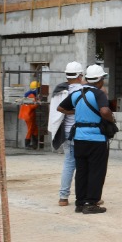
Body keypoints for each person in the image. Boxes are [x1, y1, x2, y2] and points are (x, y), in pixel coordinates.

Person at [59, 64, 115, 214]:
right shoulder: (99, 93)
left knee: (82, 171)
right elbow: (104, 110)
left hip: (79, 138)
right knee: (96, 171)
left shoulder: (77, 93)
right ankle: (91, 203)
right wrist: (111, 119)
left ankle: (80, 203)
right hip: (96, 138)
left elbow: (61, 108)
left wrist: (78, 114)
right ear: (100, 79)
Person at [48, 61, 83, 207]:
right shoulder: (83, 90)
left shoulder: (60, 90)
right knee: (83, 165)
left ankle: (63, 197)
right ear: (80, 76)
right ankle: (86, 196)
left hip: (67, 132)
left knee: (69, 164)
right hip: (81, 132)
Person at [18, 82, 41, 149]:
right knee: (30, 129)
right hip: (28, 115)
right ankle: (27, 144)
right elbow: (31, 106)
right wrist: (38, 103)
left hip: (28, 114)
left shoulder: (28, 95)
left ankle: (34, 144)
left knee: (35, 129)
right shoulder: (31, 96)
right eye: (39, 88)